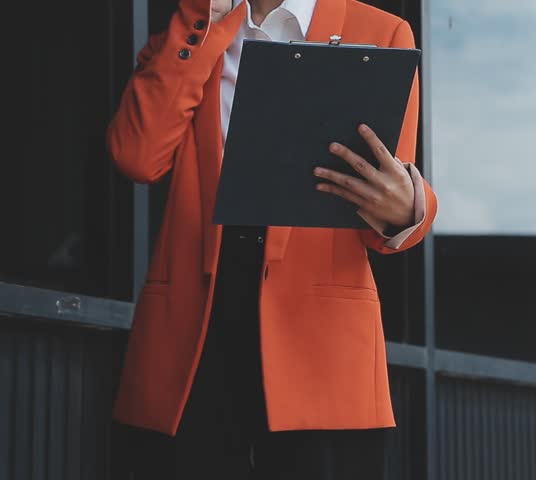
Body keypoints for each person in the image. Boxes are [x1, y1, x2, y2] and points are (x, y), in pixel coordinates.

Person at [107, 0, 437, 478]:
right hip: (191, 344)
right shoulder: (190, 31)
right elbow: (137, 156)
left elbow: (384, 200)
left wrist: (410, 208)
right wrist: (204, 19)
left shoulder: (382, 32)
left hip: (323, 353)